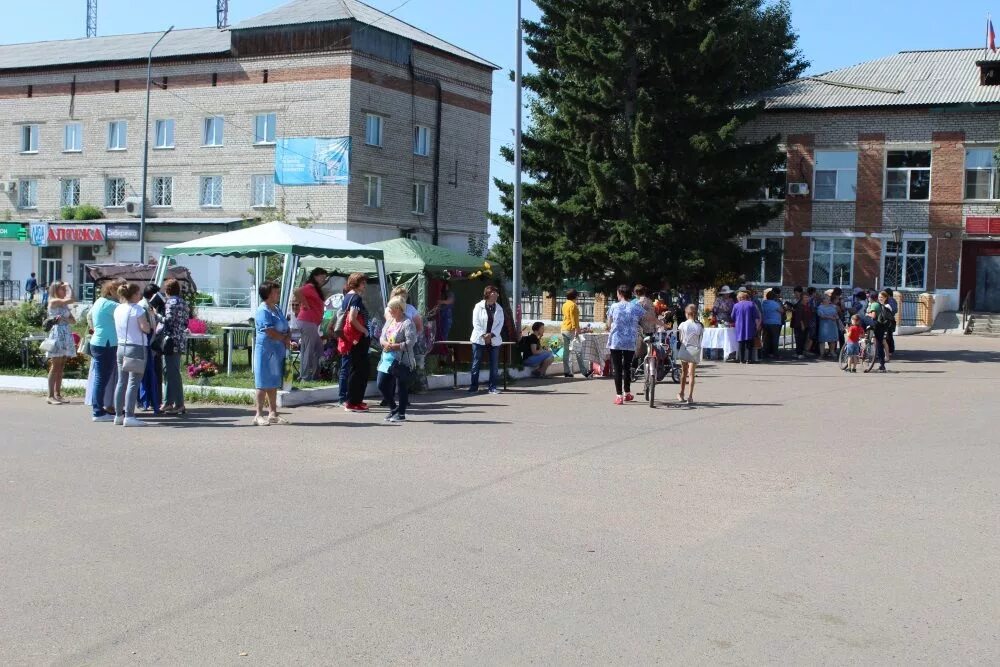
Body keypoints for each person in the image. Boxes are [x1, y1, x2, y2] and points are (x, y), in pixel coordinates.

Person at [113, 282, 152, 427]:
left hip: (121, 346)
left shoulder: (118, 308)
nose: (140, 295)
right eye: (138, 293)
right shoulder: (138, 309)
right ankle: (129, 415)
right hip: (136, 347)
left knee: (121, 381)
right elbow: (145, 329)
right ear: (134, 295)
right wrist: (149, 325)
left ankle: (118, 415)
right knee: (133, 382)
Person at [253, 281, 292, 426]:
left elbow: (285, 326)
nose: (278, 294)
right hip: (265, 350)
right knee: (262, 382)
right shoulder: (262, 310)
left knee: (274, 381)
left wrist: (288, 335)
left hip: (277, 350)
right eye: (275, 292)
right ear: (268, 294)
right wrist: (283, 338)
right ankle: (258, 415)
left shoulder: (276, 308)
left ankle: (273, 413)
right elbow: (269, 331)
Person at [377, 296, 418, 423]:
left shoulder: (407, 323)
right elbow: (382, 337)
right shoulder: (389, 321)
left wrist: (396, 346)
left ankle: (401, 413)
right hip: (387, 358)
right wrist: (385, 344)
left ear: (399, 309)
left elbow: (411, 342)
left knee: (401, 387)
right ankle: (393, 408)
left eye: (392, 309)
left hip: (401, 360)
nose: (389, 311)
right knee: (381, 384)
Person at [89, 280, 123, 420]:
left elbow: (88, 316)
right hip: (106, 343)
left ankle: (98, 408)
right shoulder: (111, 305)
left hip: (99, 341)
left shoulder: (99, 302)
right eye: (119, 291)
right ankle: (97, 411)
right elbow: (126, 309)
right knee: (101, 378)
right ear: (112, 291)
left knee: (101, 378)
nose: (121, 294)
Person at [606, 284, 645, 404]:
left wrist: (610, 327)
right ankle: (627, 393)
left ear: (620, 293)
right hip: (630, 340)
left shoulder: (614, 306)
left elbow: (609, 323)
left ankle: (619, 396)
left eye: (617, 293)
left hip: (616, 340)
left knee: (617, 369)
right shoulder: (635, 307)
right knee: (627, 367)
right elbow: (643, 318)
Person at [339, 273, 372, 412]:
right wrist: (364, 331)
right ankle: (353, 402)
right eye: (363, 283)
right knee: (359, 370)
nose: (365, 286)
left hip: (352, 339)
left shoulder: (348, 296)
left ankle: (355, 400)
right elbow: (352, 318)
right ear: (357, 283)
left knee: (357, 369)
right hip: (357, 339)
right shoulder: (356, 298)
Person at [44, 281, 76, 405]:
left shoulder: (64, 306)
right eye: (62, 289)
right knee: (55, 365)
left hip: (66, 334)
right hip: (57, 334)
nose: (65, 291)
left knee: (61, 366)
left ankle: (58, 394)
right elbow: (72, 299)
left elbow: (73, 321)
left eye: (65, 289)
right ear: (56, 290)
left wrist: (64, 319)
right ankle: (50, 395)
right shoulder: (54, 301)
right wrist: (69, 285)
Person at [161, 278, 190, 415]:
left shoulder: (170, 303)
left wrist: (156, 314)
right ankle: (168, 402)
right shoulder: (183, 303)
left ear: (167, 290)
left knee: (172, 373)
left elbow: (168, 322)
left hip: (170, 341)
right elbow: (185, 322)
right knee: (170, 370)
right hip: (180, 340)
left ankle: (179, 404)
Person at [469, 285, 505, 395]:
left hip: (494, 339)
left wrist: (492, 335)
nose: (495, 296)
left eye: (496, 294)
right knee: (476, 363)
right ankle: (474, 387)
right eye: (493, 294)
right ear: (487, 295)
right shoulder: (478, 306)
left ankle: (492, 387)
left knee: (494, 365)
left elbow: (500, 324)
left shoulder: (499, 308)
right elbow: (476, 323)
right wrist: (484, 335)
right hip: (479, 339)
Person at [295, 268, 329, 381]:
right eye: (321, 276)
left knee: (317, 349)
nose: (324, 279)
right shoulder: (310, 286)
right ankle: (305, 377)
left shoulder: (316, 289)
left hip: (311, 323)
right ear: (315, 276)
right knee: (309, 350)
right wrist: (304, 304)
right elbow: (297, 292)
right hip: (307, 321)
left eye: (325, 277)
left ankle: (314, 375)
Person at [138, 284, 164, 414]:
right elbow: (146, 327)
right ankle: (144, 401)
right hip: (147, 344)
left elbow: (155, 320)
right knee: (146, 374)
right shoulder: (143, 306)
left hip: (152, 344)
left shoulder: (150, 306)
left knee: (154, 374)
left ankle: (153, 401)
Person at [676, 304, 704, 404]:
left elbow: (680, 338)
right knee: (691, 374)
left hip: (686, 349)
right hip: (695, 349)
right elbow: (700, 338)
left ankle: (681, 393)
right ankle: (690, 396)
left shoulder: (683, 324)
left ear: (687, 314)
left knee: (684, 372)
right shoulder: (700, 325)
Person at [560, 289, 590, 378]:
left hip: (564, 329)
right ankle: (584, 372)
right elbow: (574, 319)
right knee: (578, 351)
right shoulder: (573, 305)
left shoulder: (565, 304)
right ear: (575, 296)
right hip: (571, 330)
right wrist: (577, 330)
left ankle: (567, 371)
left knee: (566, 352)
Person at [866, 290, 892, 373]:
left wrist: (867, 314)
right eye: (879, 297)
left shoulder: (878, 305)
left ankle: (885, 358)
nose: (880, 298)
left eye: (882, 297)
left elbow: (874, 316)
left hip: (879, 326)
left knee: (881, 343)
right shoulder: (880, 305)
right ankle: (882, 365)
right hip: (881, 326)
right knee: (879, 344)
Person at [731, 290, 761, 364]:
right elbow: (756, 317)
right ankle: (749, 359)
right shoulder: (752, 304)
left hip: (740, 327)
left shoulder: (736, 305)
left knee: (741, 344)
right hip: (750, 326)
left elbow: (732, 316)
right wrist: (757, 326)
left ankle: (741, 360)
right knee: (749, 343)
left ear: (739, 298)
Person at [760, 288, 784, 359]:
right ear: (774, 297)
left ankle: (765, 353)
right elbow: (782, 311)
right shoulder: (775, 304)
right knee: (775, 339)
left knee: (766, 339)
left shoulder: (764, 303)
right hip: (775, 323)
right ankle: (775, 354)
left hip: (765, 322)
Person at [817, 294, 840, 358]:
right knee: (822, 340)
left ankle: (832, 352)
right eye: (827, 298)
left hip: (832, 325)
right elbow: (821, 315)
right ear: (823, 300)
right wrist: (830, 317)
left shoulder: (833, 306)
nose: (829, 299)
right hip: (824, 325)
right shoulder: (820, 307)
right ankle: (822, 354)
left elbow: (836, 314)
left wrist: (836, 317)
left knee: (832, 339)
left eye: (829, 298)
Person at [790, 286, 809, 359]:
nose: (807, 299)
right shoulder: (800, 306)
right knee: (800, 339)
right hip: (800, 325)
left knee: (801, 338)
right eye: (805, 298)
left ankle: (798, 352)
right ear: (802, 298)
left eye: (807, 297)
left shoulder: (805, 305)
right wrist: (802, 325)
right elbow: (800, 316)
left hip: (804, 324)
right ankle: (799, 353)